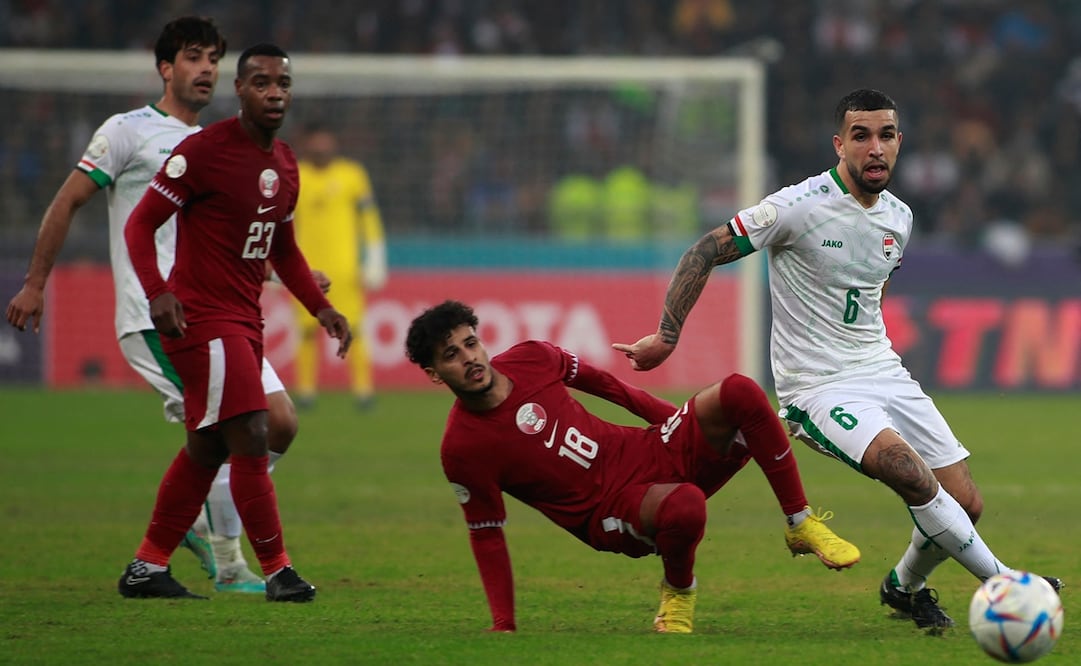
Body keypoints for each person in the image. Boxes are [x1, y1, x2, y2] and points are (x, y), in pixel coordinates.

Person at [614, 88, 1064, 630]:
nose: (875, 148)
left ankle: (904, 587)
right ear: (839, 144)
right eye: (861, 136)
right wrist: (667, 334)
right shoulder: (797, 206)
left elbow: (869, 291)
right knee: (909, 473)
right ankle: (1007, 583)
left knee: (965, 504)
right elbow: (705, 250)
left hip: (882, 370)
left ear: (899, 142)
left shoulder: (899, 218)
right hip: (817, 387)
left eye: (886, 135)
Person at [2, 16, 306, 594]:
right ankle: (229, 563)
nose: (206, 69)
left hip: (216, 311)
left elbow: (226, 236)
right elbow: (68, 201)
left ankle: (176, 539)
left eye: (213, 59)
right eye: (193, 57)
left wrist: (285, 273)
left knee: (273, 425)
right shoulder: (128, 131)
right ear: (165, 68)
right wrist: (36, 282)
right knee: (244, 427)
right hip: (157, 315)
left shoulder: (221, 143)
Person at [405, 300, 859, 634]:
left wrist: (674, 423)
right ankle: (679, 592)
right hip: (608, 510)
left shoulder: (532, 357)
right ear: (433, 373)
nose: (469, 358)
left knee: (740, 391)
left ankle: (800, 521)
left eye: (470, 343)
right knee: (686, 504)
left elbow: (607, 385)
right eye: (451, 355)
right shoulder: (462, 449)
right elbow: (486, 533)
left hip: (646, 450)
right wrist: (504, 624)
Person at [117, 42, 351, 602]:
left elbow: (283, 249)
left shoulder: (285, 163)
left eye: (283, 84)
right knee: (252, 432)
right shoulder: (204, 152)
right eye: (262, 83)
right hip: (202, 319)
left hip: (245, 320)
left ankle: (146, 567)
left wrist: (320, 308)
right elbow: (139, 225)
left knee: (206, 448)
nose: (274, 93)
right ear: (240, 90)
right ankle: (278, 571)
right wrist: (158, 292)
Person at [292, 122, 387, 410]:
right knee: (306, 330)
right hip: (305, 269)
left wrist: (375, 257)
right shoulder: (295, 175)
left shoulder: (352, 175)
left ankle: (363, 391)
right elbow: (283, 222)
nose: (321, 147)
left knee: (353, 327)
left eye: (326, 141)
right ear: (307, 144)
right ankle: (306, 391)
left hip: (345, 269)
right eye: (316, 141)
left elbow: (369, 218)